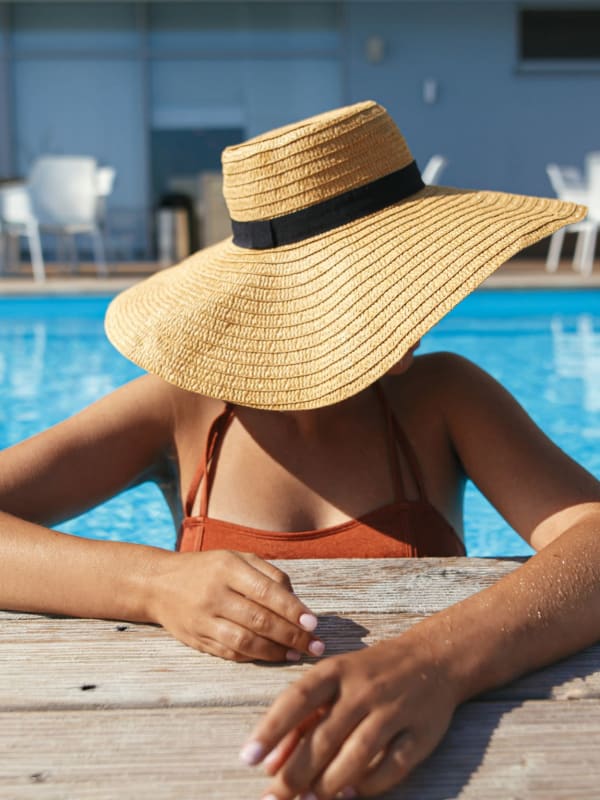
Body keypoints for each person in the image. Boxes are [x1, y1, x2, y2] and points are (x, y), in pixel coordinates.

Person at [1, 100, 599, 800]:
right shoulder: (182, 410)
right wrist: (155, 585)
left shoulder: (443, 398)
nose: (415, 318)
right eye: (378, 294)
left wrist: (434, 664)